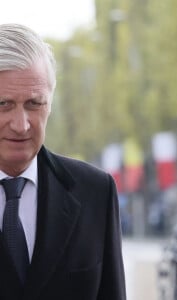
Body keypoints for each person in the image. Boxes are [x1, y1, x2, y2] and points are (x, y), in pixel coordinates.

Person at [0, 23, 126, 300]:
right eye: (4, 104)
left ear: (51, 103)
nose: (21, 125)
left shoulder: (95, 191)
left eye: (34, 104)